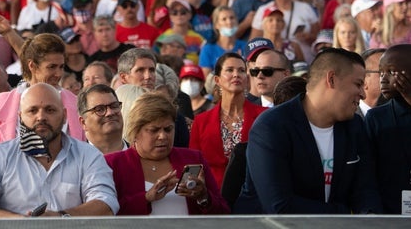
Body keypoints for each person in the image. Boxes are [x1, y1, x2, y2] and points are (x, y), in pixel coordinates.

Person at [235, 48, 382, 214]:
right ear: (331, 79)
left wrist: (370, 217)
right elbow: (280, 206)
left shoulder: (355, 126)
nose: (363, 94)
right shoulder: (271, 127)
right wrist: (345, 215)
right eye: (358, 84)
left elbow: (365, 190)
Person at [0, 83, 118, 218]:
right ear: (20, 117)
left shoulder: (88, 156)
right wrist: (18, 223)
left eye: (50, 110)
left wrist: (61, 217)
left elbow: (106, 202)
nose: (41, 117)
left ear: (64, 116)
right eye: (33, 110)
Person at [104, 92, 229, 216]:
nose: (163, 136)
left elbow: (223, 213)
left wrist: (203, 197)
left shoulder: (194, 158)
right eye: (154, 130)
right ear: (135, 131)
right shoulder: (113, 164)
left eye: (168, 129)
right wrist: (146, 198)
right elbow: (106, 214)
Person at [0, 24, 85, 143]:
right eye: (51, 67)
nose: (58, 74)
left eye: (61, 67)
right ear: (32, 66)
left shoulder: (74, 102)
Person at [189, 52, 266, 187]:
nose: (236, 74)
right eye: (230, 70)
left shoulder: (263, 116)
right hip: (213, 195)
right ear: (217, 80)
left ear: (247, 79)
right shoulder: (201, 121)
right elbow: (193, 165)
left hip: (252, 195)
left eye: (241, 70)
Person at [365, 44, 411, 214]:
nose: (383, 78)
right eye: (381, 72)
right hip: (389, 212)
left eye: (391, 72)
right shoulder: (376, 118)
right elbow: (368, 174)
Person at [78, 84, 126, 154]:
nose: (110, 113)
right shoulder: (74, 162)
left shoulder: (141, 156)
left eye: (114, 106)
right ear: (83, 123)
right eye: (100, 109)